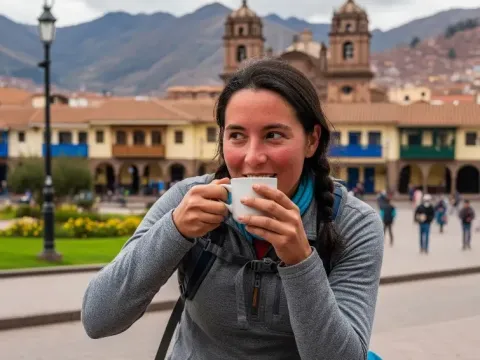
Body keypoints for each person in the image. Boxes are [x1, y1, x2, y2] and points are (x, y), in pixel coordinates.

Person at [81, 58, 384, 359]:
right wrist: (174, 230)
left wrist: (300, 261)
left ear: (311, 140)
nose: (252, 158)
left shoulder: (354, 224)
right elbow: (98, 319)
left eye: (273, 135)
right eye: (237, 135)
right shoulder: (187, 200)